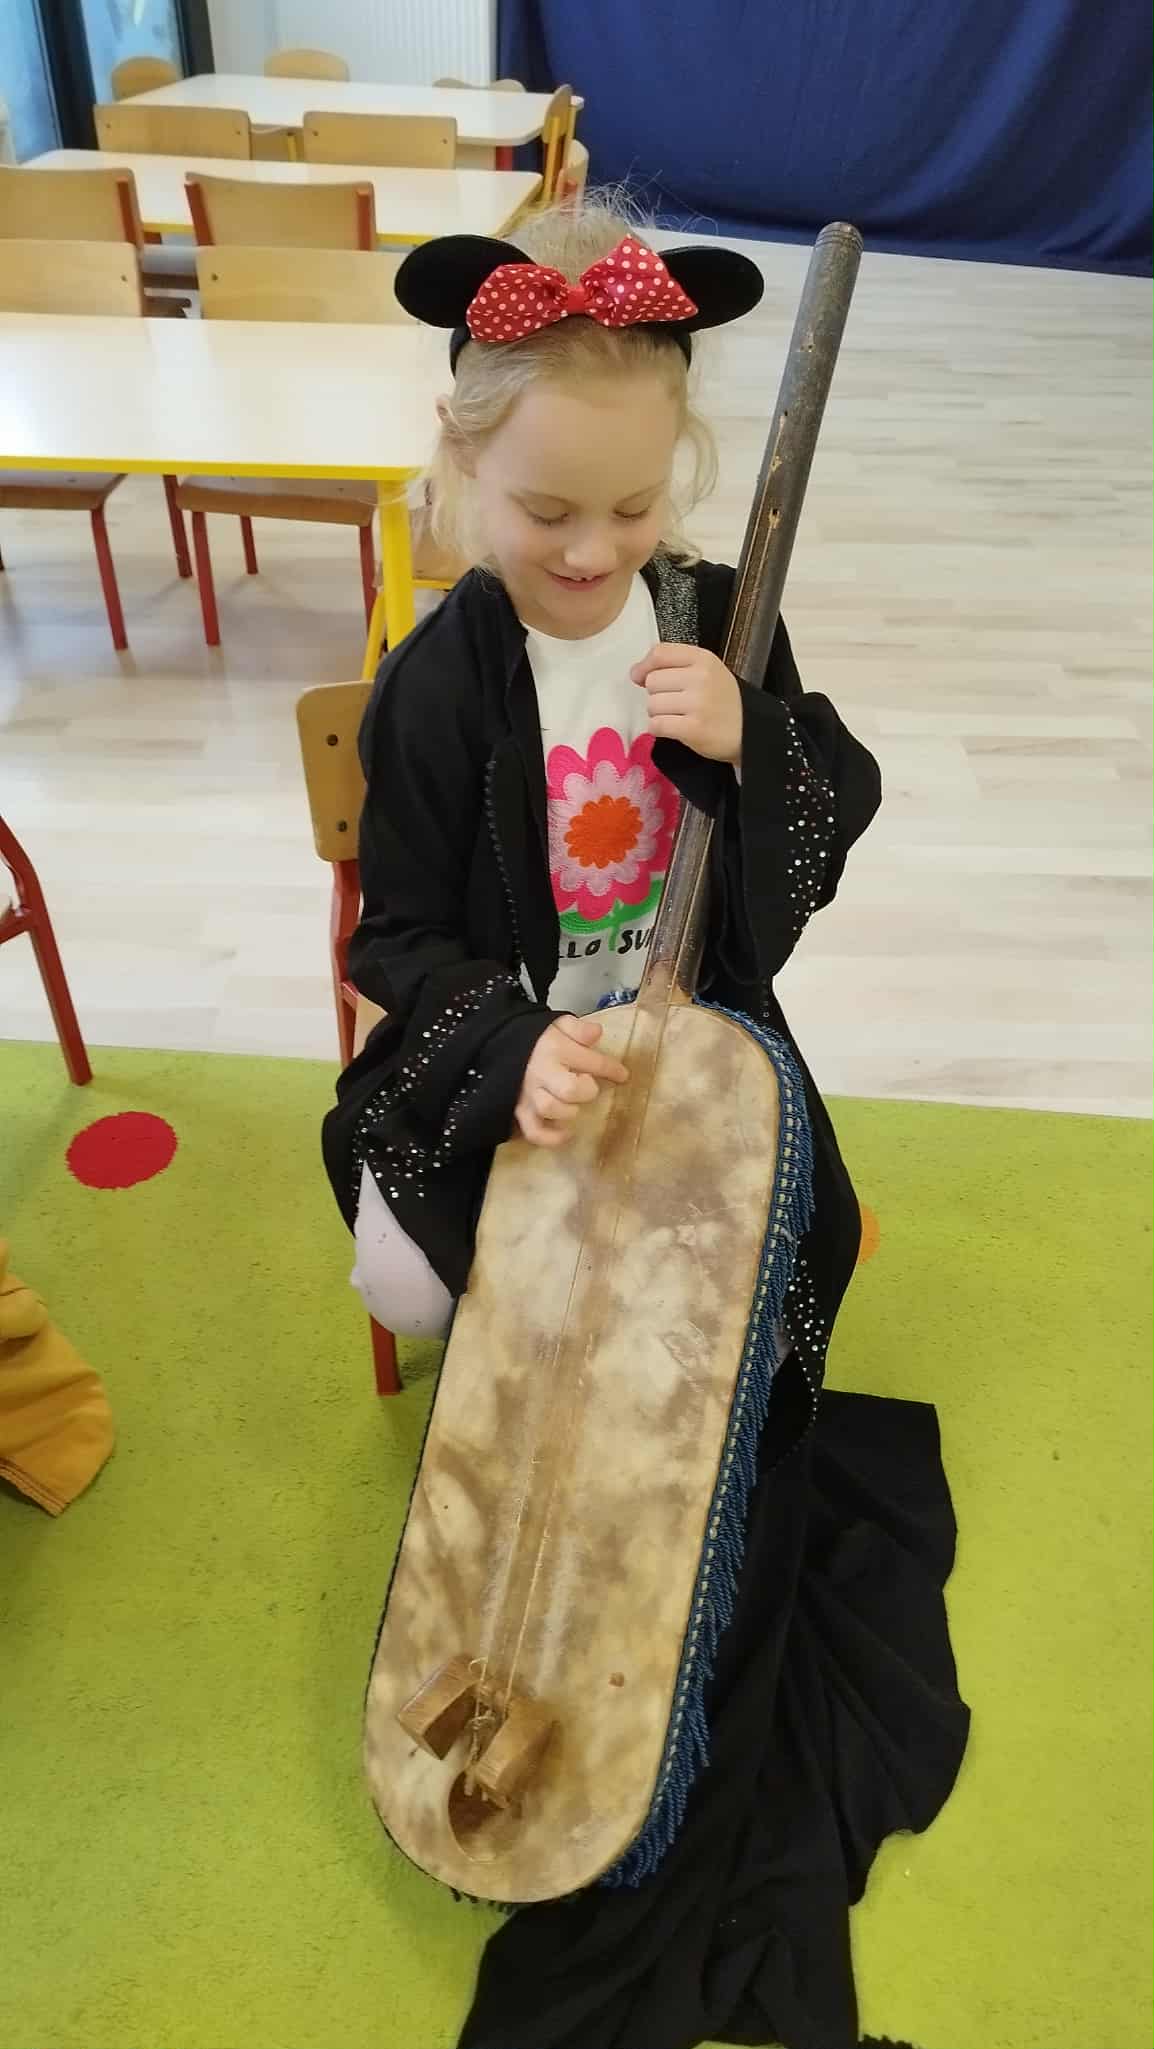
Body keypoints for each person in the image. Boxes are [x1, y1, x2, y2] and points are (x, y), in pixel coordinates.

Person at [322, 200, 968, 2049]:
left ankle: (677, 1448)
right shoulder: (439, 682)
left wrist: (748, 738)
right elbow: (395, 940)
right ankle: (521, 1423)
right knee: (443, 1278)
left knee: (794, 1243)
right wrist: (513, 1048)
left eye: (628, 508)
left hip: (692, 1029)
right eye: (546, 511)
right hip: (516, 1049)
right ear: (462, 472)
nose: (592, 550)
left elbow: (831, 803)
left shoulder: (708, 615)